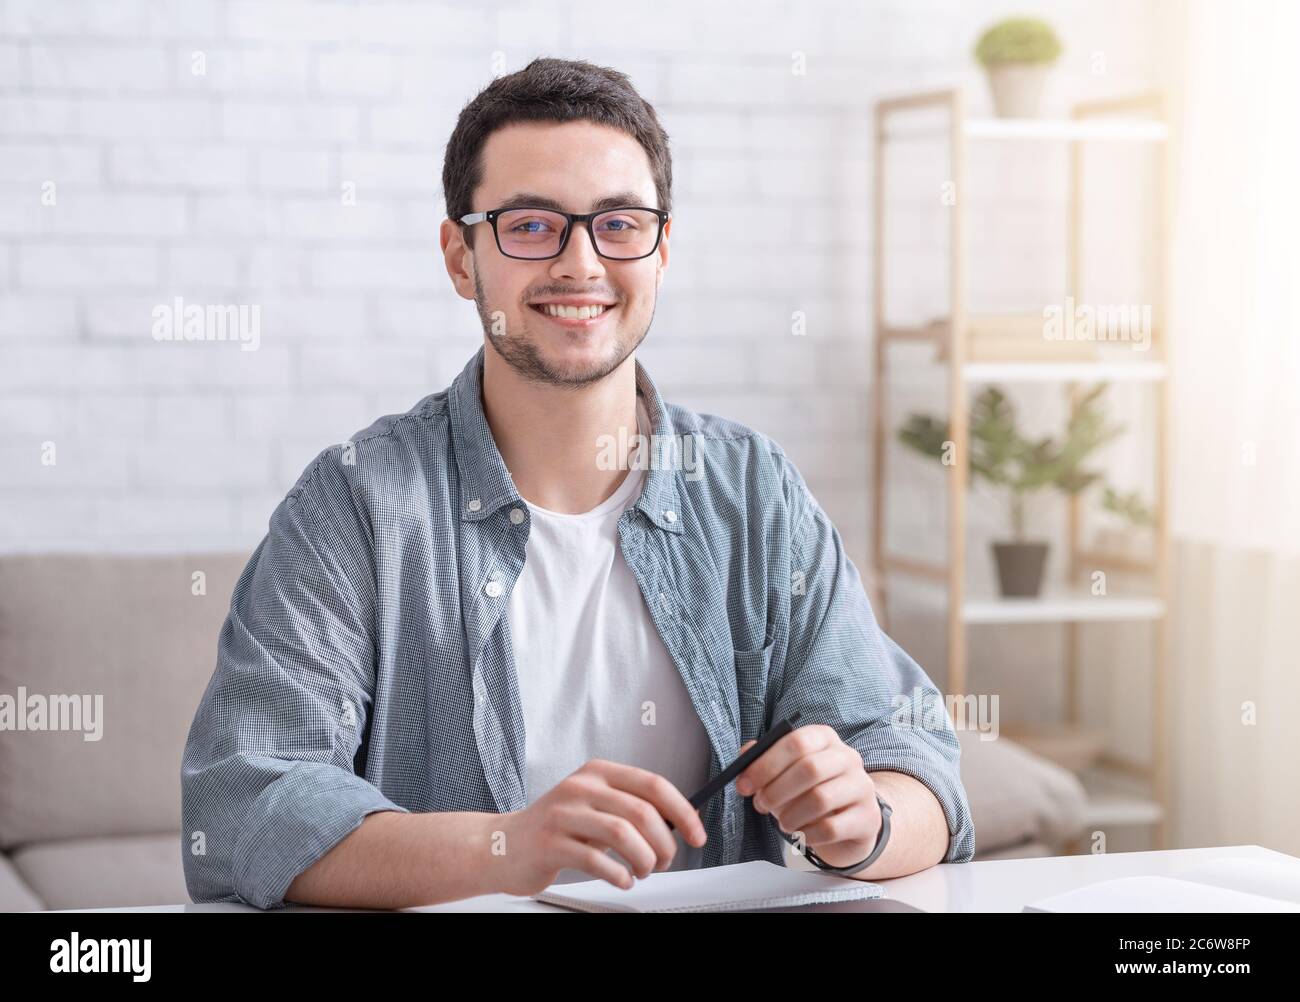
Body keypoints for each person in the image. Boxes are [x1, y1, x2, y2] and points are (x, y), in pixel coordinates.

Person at [180, 56, 975, 911]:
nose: (581, 263)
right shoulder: (356, 506)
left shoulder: (752, 491)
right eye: (530, 225)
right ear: (461, 256)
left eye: (620, 225)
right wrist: (507, 847)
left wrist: (870, 824)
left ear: (661, 249)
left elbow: (914, 761)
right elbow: (243, 808)